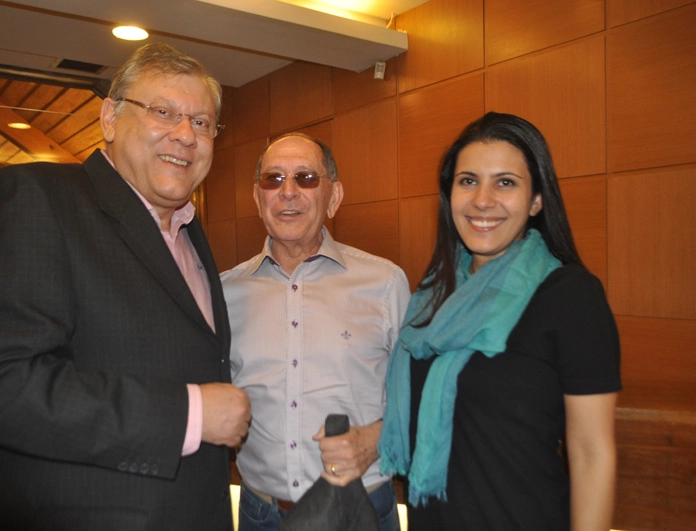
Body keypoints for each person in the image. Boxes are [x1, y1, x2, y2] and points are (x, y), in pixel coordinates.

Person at [0, 42, 251, 530]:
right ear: (110, 118)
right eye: (163, 111)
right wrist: (190, 413)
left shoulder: (191, 233)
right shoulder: (37, 198)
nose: (185, 135)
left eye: (201, 122)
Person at [379, 112, 621, 530]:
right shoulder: (434, 296)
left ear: (536, 200)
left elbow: (591, 451)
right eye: (467, 180)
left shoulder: (571, 295)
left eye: (505, 182)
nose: (482, 199)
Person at [221, 132, 411, 531]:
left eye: (306, 178)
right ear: (259, 199)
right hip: (261, 514)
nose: (288, 192)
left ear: (334, 197)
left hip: (359, 510)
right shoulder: (223, 294)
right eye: (273, 179)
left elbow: (421, 398)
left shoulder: (385, 283)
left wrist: (376, 439)